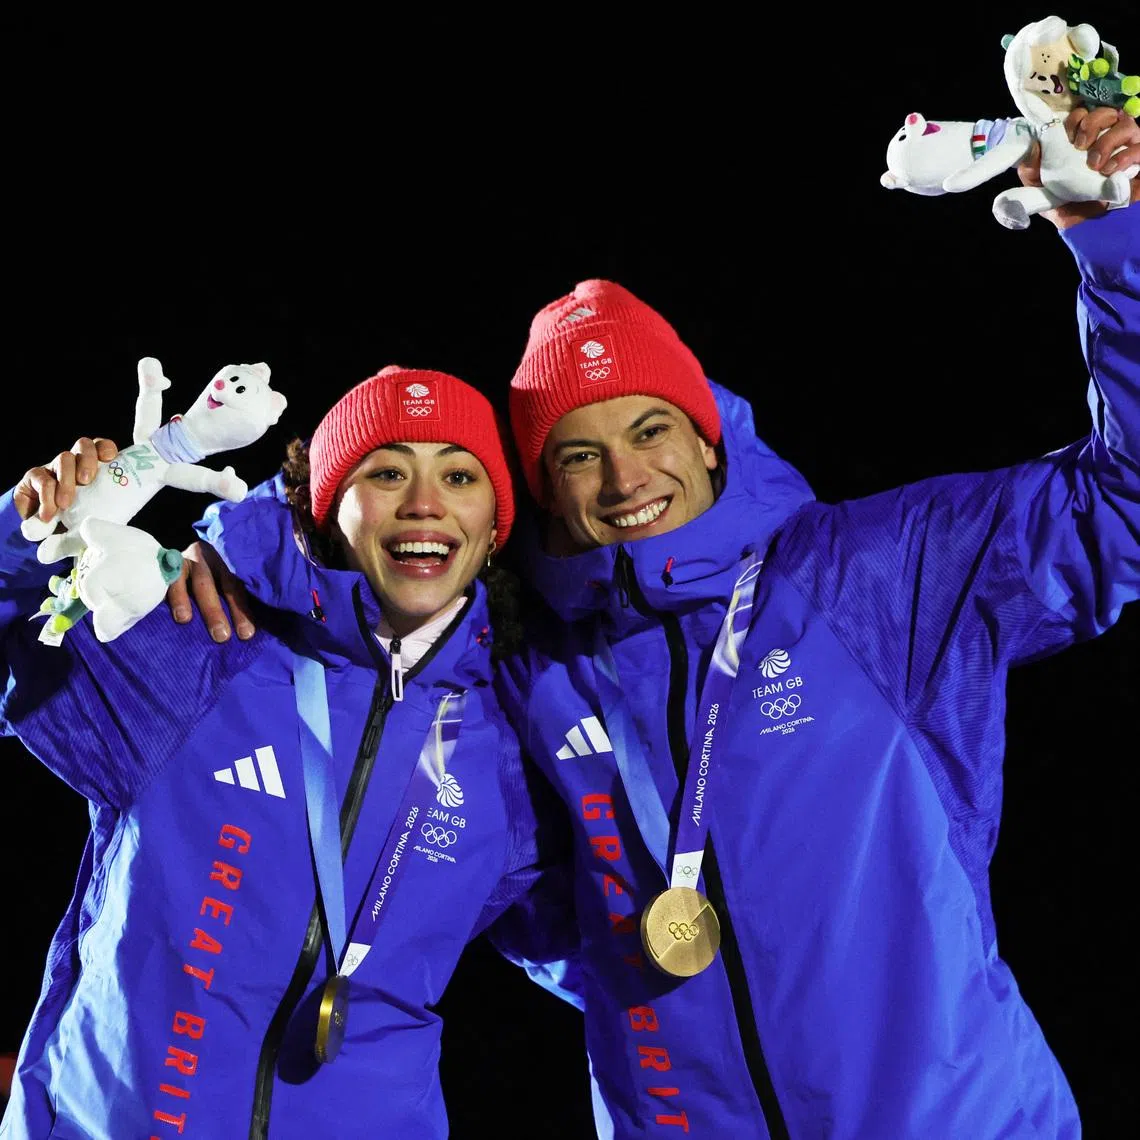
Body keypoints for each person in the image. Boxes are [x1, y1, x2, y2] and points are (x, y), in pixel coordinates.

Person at [167, 106, 1139, 1138]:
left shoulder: (872, 576)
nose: (626, 477)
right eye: (577, 455)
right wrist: (248, 541)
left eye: (650, 429)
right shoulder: (520, 668)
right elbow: (509, 888)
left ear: (709, 441)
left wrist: (1109, 236)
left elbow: (1120, 506)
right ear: (542, 490)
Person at [0, 365, 570, 1139]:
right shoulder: (204, 647)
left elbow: (601, 951)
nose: (426, 503)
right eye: (388, 471)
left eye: (460, 474)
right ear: (328, 506)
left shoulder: (511, 747)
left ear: (496, 521)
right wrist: (30, 523)